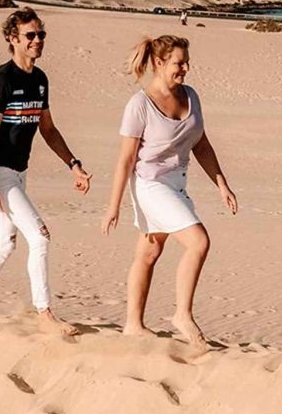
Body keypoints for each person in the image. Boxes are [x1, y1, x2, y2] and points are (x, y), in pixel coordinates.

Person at [0, 8, 91, 335]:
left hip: (18, 171)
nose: (37, 40)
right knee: (40, 237)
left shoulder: (39, 80)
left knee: (4, 243)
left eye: (41, 34)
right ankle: (45, 315)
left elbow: (49, 129)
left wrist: (74, 164)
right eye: (30, 35)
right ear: (12, 39)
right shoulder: (1, 81)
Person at [101, 34, 237, 352]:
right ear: (160, 63)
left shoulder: (191, 96)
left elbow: (201, 144)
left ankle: (133, 325)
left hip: (178, 183)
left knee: (148, 252)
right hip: (149, 185)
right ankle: (182, 314)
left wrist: (222, 184)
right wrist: (114, 206)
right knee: (199, 241)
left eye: (186, 62)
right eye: (179, 62)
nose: (185, 68)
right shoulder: (140, 105)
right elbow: (125, 160)